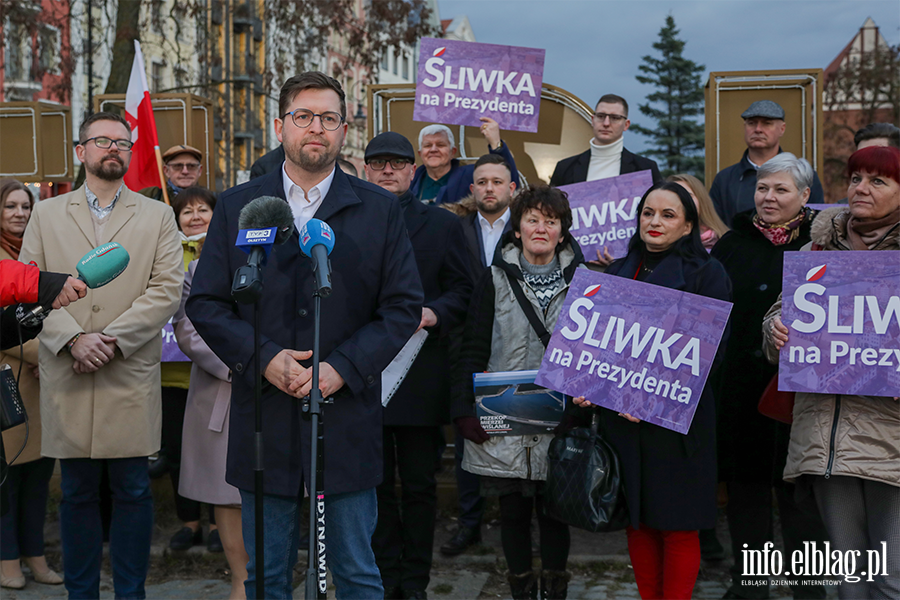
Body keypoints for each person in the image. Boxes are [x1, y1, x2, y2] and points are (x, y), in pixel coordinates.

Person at [186, 72, 423, 600]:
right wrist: (265, 358)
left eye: (328, 118)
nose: (316, 128)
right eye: (303, 116)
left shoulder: (379, 210)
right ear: (280, 126)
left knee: (357, 574)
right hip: (264, 420)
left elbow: (403, 307)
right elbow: (205, 303)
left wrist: (343, 367)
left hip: (346, 420)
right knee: (267, 577)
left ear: (344, 131)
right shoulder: (238, 206)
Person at [19, 111, 184, 600]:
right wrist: (72, 338)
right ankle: (81, 593)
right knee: (76, 494)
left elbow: (166, 289)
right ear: (80, 151)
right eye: (103, 140)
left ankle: (131, 593)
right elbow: (29, 290)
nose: (114, 148)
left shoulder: (157, 214)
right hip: (68, 369)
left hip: (126, 369)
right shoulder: (46, 214)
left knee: (133, 491)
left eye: (122, 142)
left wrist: (110, 338)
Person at [574, 181, 731, 600]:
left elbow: (708, 354)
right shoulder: (620, 268)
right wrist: (587, 384)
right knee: (639, 522)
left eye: (667, 215)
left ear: (687, 227)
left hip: (678, 423)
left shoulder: (708, 273)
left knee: (677, 525)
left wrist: (651, 400)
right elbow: (598, 344)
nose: (655, 222)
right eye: (648, 213)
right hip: (622, 421)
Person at [763, 145, 900, 600]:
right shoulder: (817, 247)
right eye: (856, 177)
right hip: (825, 437)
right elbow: (782, 313)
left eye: (878, 180)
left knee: (890, 579)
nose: (862, 188)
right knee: (846, 583)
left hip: (890, 441)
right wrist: (775, 329)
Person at [453, 184, 585, 600]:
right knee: (512, 510)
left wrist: (582, 409)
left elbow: (593, 355)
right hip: (504, 416)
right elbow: (472, 345)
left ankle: (556, 590)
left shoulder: (587, 284)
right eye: (533, 219)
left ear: (563, 232)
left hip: (561, 417)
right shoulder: (491, 280)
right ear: (517, 229)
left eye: (551, 221)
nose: (541, 228)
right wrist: (464, 408)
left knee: (554, 512)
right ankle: (521, 591)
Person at [711, 154, 828, 600]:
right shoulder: (732, 244)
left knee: (801, 499)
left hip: (801, 395)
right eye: (763, 188)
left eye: (781, 189)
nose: (769, 197)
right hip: (741, 391)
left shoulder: (822, 246)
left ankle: (810, 589)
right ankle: (750, 585)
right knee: (747, 495)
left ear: (804, 195)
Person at [362, 132, 472, 600]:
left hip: (420, 376)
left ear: (414, 170)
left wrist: (434, 312)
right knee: (375, 485)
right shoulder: (342, 224)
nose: (388, 170)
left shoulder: (443, 227)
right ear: (365, 170)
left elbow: (465, 291)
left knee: (422, 485)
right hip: (361, 376)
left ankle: (415, 583)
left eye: (398, 163)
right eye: (379, 163)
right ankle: (384, 579)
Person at [439, 153, 517, 556]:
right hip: (464, 344)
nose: (489, 188)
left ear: (512, 189)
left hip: (516, 345)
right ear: (472, 189)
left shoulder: (525, 230)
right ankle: (468, 524)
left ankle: (514, 527)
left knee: (516, 430)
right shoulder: (455, 228)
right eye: (482, 181)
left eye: (497, 181)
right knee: (469, 431)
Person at [174, 190, 249, 599]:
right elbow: (188, 328)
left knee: (280, 489)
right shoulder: (201, 267)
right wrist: (241, 366)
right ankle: (240, 579)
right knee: (227, 493)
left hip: (279, 390)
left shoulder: (288, 261)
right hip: (222, 389)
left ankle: (278, 576)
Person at [0, 180, 62, 589]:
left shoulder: (37, 252)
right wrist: (53, 353)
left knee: (38, 474)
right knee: (6, 479)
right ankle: (7, 561)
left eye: (26, 205)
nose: (20, 213)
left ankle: (35, 556)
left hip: (42, 382)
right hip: (8, 381)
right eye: (11, 206)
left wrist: (52, 351)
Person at [162, 187, 220, 552]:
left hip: (215, 374)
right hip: (172, 375)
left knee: (216, 451)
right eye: (187, 211)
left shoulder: (227, 253)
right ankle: (189, 521)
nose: (195, 216)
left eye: (203, 209)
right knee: (176, 450)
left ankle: (218, 523)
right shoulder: (167, 253)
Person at [710, 100, 824, 227]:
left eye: (766, 123)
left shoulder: (805, 176)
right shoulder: (724, 179)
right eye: (751, 123)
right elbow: (715, 227)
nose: (758, 129)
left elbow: (816, 225)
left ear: (782, 129)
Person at [549, 94, 662, 187]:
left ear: (626, 125)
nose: (606, 123)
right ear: (593, 120)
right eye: (601, 116)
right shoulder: (564, 168)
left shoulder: (646, 169)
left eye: (615, 118)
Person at [410, 120, 519, 205]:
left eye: (440, 145)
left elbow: (508, 182)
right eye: (428, 145)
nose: (433, 149)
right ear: (420, 153)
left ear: (453, 152)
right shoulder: (410, 181)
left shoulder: (471, 174)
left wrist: (496, 143)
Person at [667, 174, 729, 252]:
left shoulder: (727, 241)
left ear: (701, 200)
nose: (682, 202)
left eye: (688, 196)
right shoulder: (658, 243)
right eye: (675, 197)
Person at [140, 144, 205, 202]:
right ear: (166, 171)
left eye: (191, 166)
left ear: (200, 170)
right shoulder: (148, 197)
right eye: (178, 166)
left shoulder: (211, 200)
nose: (185, 171)